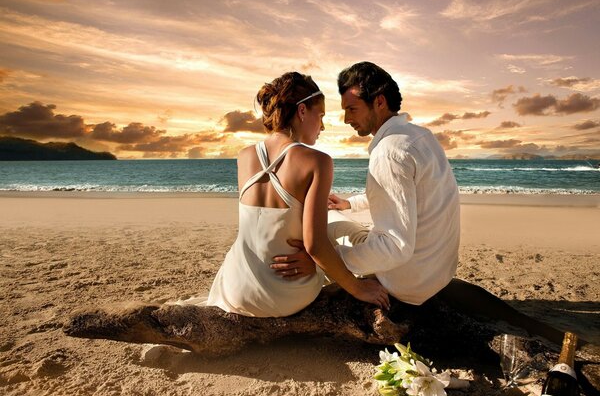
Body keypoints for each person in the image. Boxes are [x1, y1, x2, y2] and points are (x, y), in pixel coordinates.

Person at [272, 62, 565, 345]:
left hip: (408, 283)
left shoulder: (389, 153)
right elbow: (409, 199)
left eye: (352, 109)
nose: (347, 119)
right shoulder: (419, 136)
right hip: (436, 271)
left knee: (330, 229)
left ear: (380, 102)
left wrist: (327, 261)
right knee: (343, 221)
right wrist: (350, 203)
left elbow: (396, 246)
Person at [206, 71, 389, 318]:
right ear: (302, 111)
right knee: (344, 228)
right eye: (320, 115)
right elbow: (314, 245)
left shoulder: (244, 155)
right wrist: (357, 288)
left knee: (330, 222)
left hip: (235, 288)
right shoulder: (318, 161)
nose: (322, 126)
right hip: (283, 294)